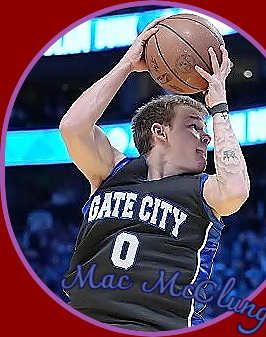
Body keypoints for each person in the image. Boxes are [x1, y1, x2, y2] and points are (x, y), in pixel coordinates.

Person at [59, 17, 250, 332]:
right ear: (160, 132)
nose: (207, 138)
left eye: (206, 130)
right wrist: (127, 64)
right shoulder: (112, 170)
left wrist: (219, 109)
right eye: (193, 127)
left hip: (158, 326)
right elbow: (72, 127)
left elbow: (236, 190)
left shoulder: (201, 190)